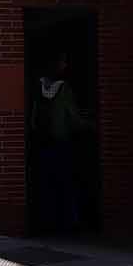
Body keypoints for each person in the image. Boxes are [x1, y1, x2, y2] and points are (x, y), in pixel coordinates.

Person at [32, 52, 92, 232]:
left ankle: (47, 222)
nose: (65, 65)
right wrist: (91, 125)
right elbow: (73, 117)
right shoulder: (64, 88)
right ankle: (68, 224)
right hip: (61, 141)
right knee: (66, 183)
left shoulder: (37, 87)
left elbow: (33, 118)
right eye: (63, 62)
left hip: (42, 143)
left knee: (46, 184)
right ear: (57, 65)